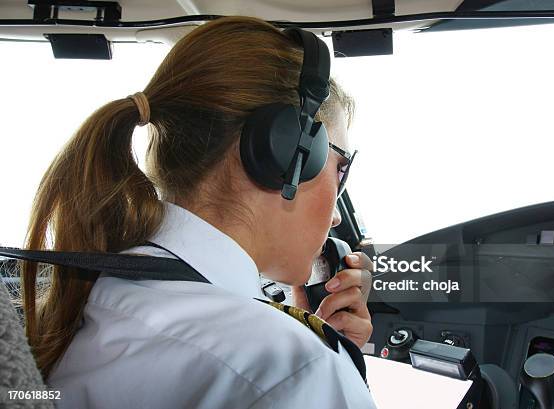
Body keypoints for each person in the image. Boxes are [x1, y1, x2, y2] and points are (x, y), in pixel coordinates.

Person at [20, 16, 377, 408]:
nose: (338, 217)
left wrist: (311, 333)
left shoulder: (101, 298)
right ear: (284, 152)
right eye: (340, 169)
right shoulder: (292, 368)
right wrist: (330, 365)